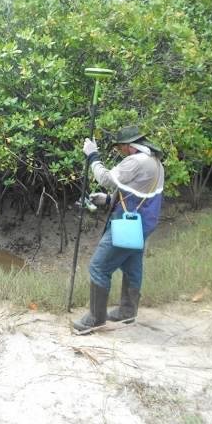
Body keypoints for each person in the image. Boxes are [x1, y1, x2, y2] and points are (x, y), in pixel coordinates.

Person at [73, 125, 165, 331]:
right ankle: (127, 312)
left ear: (129, 146)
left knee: (98, 266)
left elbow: (105, 178)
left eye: (120, 148)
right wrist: (107, 200)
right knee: (132, 266)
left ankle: (95, 320)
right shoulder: (155, 162)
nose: (119, 152)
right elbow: (137, 193)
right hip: (143, 223)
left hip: (128, 224)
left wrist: (92, 155)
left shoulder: (136, 161)